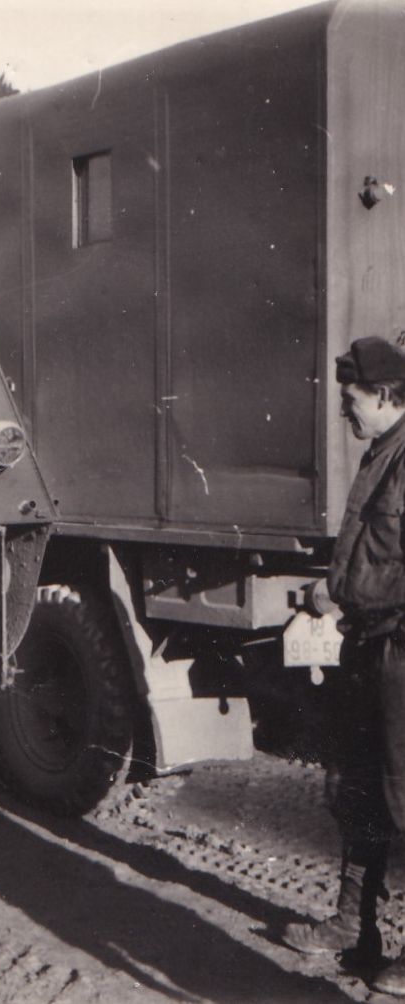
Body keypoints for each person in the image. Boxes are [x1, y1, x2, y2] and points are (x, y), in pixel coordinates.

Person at [285, 335, 405, 996]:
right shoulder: (381, 450)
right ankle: (354, 927)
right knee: (355, 787)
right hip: (367, 644)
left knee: (403, 794)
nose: (344, 411)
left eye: (350, 399)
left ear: (385, 395)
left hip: (401, 649)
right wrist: (336, 593)